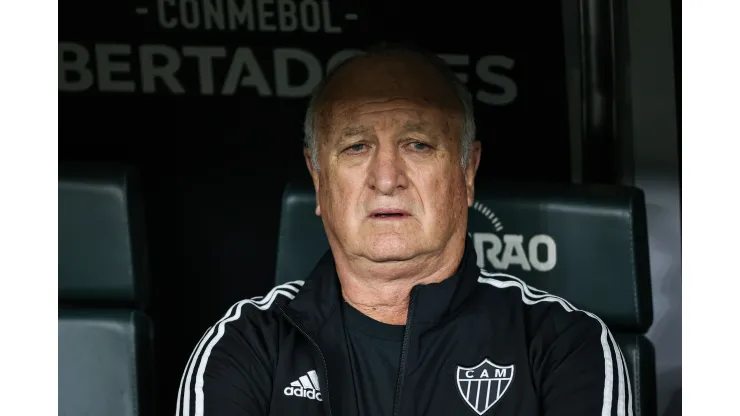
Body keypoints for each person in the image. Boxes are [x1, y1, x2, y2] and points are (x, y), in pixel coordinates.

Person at [176, 43, 632, 416]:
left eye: (417, 144)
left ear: (467, 171)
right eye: (356, 146)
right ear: (318, 179)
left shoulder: (564, 344)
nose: (387, 177)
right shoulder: (246, 344)